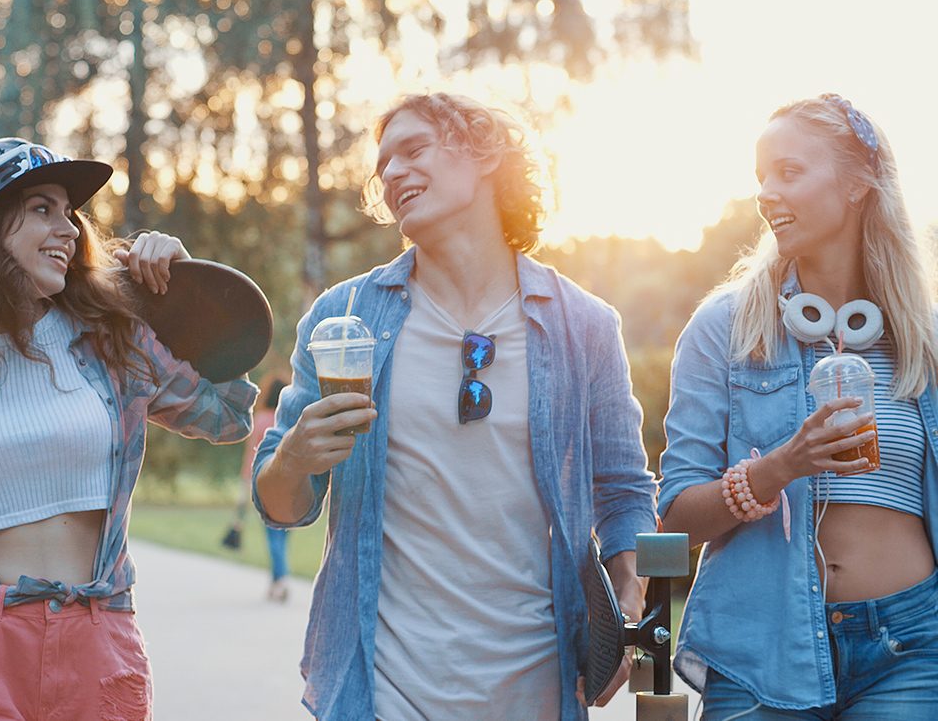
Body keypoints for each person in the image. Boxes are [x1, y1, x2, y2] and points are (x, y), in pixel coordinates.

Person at [253, 92, 657, 720]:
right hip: (385, 690)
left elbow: (625, 489)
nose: (389, 174)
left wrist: (629, 602)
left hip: (537, 688)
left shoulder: (585, 327)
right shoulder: (343, 320)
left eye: (413, 149)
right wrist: (295, 458)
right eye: (381, 165)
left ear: (487, 153)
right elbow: (281, 506)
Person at [0, 138, 258, 720]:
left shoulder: (111, 340)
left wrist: (191, 293)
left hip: (98, 645)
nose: (70, 228)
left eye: (70, 213)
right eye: (43, 208)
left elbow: (226, 416)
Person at [658, 94, 938, 719]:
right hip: (760, 646)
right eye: (760, 176)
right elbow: (674, 523)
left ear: (859, 184)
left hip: (912, 645)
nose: (765, 193)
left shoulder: (926, 336)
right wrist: (780, 466)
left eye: (788, 172)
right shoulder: (724, 327)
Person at [222, 376, 292, 601]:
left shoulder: (260, 419)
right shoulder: (289, 419)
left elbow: (251, 456)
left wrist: (245, 485)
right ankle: (276, 582)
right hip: (289, 483)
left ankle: (281, 580)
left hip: (264, 481)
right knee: (283, 535)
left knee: (272, 534)